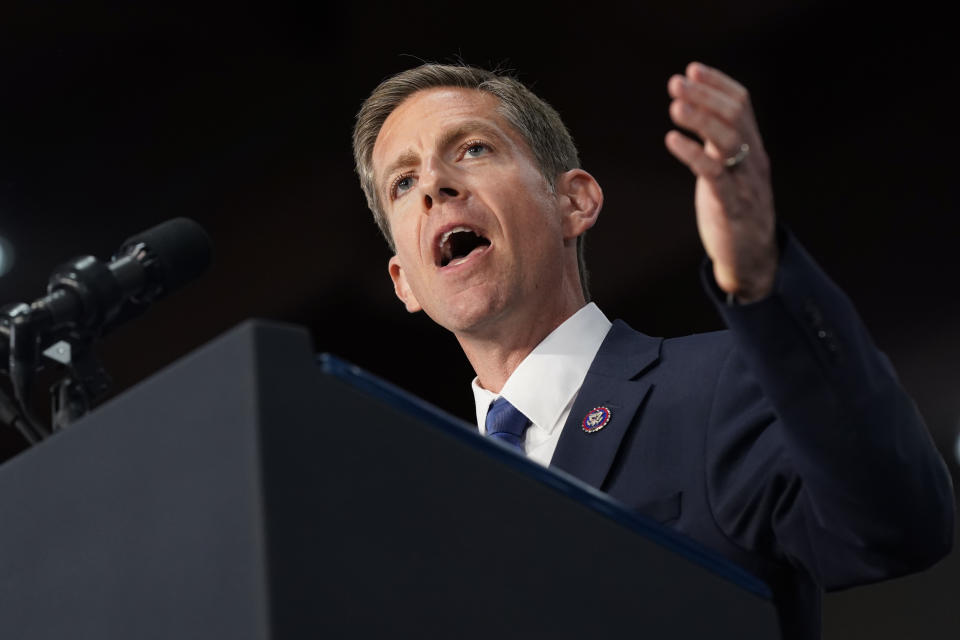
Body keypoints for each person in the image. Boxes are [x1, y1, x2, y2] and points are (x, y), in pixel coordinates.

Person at [351, 62, 954, 639]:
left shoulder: (720, 387)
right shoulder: (424, 519)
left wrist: (764, 278)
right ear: (403, 281)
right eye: (403, 182)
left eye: (473, 149)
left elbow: (898, 527)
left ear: (575, 202)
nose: (433, 184)